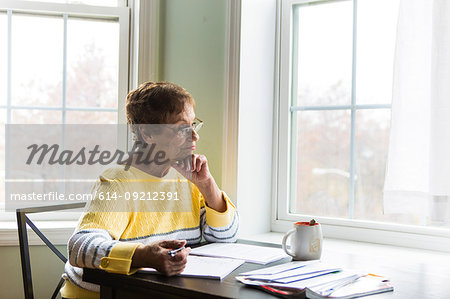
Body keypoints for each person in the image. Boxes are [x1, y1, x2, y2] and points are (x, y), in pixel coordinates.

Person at [60, 81, 239, 299]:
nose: (194, 136)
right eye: (182, 128)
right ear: (147, 133)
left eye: (193, 124)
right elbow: (79, 249)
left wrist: (207, 185)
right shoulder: (118, 182)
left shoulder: (187, 177)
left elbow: (226, 238)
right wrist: (143, 255)